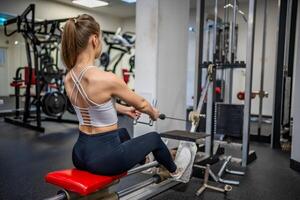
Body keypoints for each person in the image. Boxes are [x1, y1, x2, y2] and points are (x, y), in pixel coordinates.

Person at [61, 14, 189, 178]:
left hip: (79, 153)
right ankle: (176, 171)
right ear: (94, 39)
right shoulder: (105, 78)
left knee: (122, 133)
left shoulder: (69, 78)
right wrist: (153, 113)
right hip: (104, 159)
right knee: (155, 139)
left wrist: (124, 109)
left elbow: (90, 105)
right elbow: (142, 104)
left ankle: (145, 163)